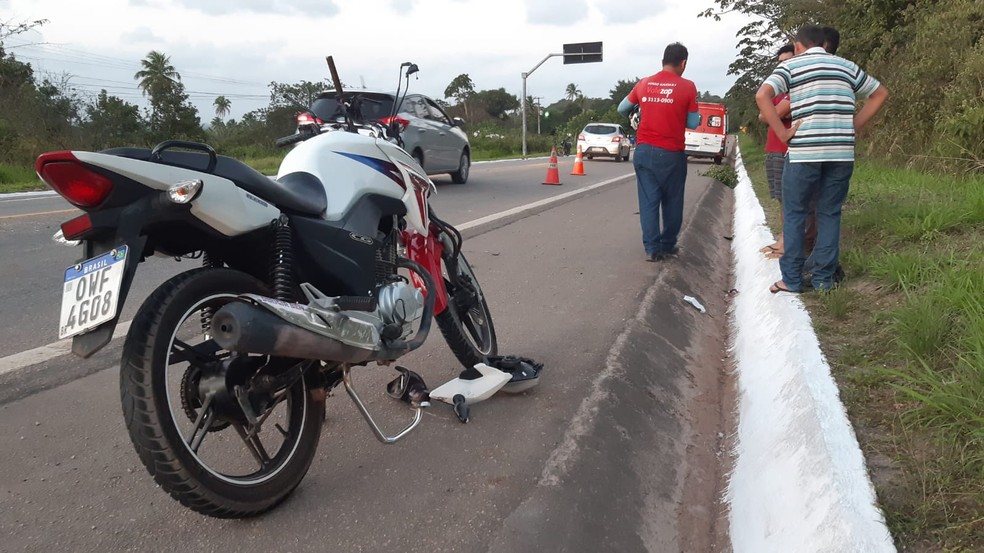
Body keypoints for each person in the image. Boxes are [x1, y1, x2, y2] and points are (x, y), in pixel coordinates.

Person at [756, 24, 889, 293]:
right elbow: (879, 94)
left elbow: (763, 96)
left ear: (798, 46)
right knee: (830, 213)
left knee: (795, 214)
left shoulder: (792, 66)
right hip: (841, 153)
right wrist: (853, 125)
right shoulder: (846, 66)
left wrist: (783, 133)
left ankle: (791, 280)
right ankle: (823, 280)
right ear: (823, 44)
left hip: (805, 152)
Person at [617, 42, 699, 262]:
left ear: (663, 61)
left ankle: (652, 249)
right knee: (672, 201)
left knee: (648, 201)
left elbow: (621, 108)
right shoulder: (688, 86)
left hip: (644, 151)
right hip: (672, 153)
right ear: (683, 63)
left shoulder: (643, 84)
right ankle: (667, 244)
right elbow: (692, 122)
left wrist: (644, 107)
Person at [759, 44, 795, 259]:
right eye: (781, 62)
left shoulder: (796, 89)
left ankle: (788, 243)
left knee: (790, 199)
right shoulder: (777, 89)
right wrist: (771, 114)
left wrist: (771, 113)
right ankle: (784, 237)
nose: (784, 66)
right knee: (781, 198)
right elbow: (762, 115)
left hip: (787, 149)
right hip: (773, 149)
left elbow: (770, 114)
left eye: (788, 61)